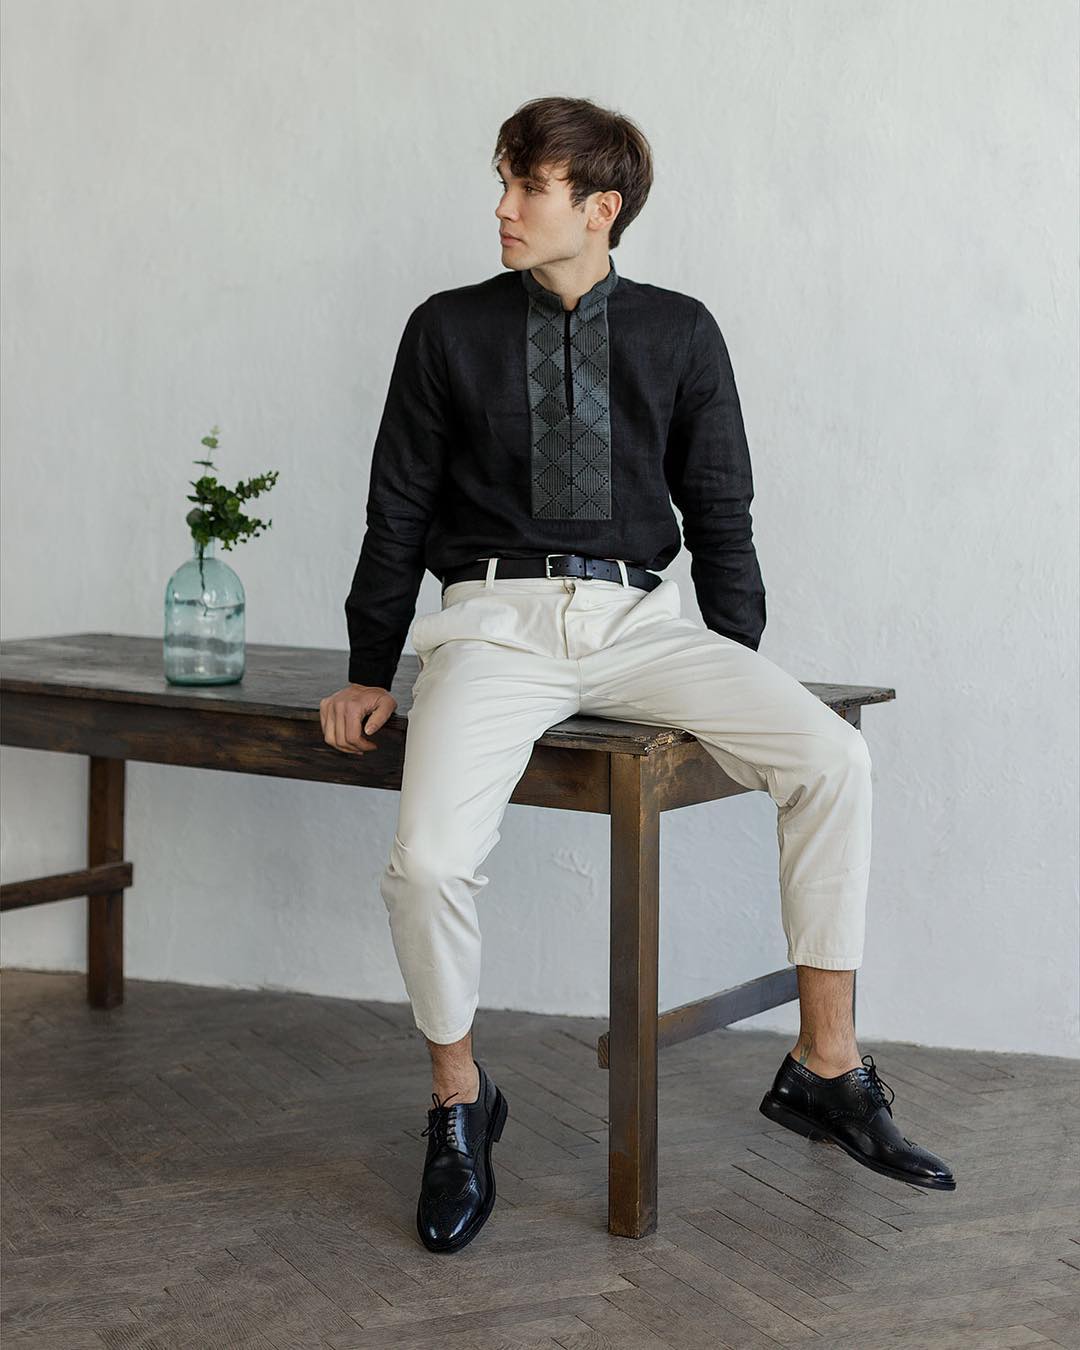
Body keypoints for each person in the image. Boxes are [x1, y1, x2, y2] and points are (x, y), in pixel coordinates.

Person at [320, 96, 956, 1254]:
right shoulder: (447, 329)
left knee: (832, 758)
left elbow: (721, 509)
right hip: (493, 625)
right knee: (429, 864)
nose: (503, 206)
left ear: (600, 207)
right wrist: (371, 666)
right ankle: (460, 1100)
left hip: (638, 623)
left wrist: (735, 667)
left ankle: (826, 1065)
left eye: (528, 185)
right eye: (504, 181)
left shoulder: (680, 331)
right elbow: (397, 504)